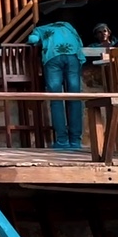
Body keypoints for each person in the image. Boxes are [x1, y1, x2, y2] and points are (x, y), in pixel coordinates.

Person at [27, 21, 85, 150]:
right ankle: (75, 141)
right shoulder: (68, 26)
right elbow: (79, 41)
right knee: (75, 99)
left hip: (53, 58)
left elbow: (33, 39)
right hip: (73, 57)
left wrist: (33, 41)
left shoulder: (40, 28)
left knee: (56, 99)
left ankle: (62, 141)